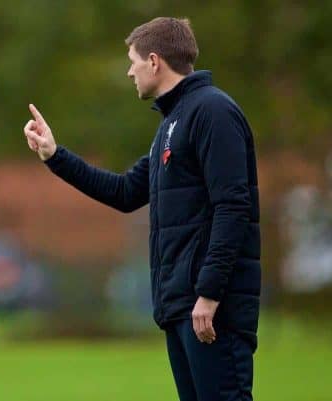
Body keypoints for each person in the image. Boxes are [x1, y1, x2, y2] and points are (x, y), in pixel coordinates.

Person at [23, 17, 260, 401]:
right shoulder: (171, 123)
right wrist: (54, 155)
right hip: (183, 307)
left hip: (211, 309)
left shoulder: (212, 112)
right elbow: (125, 192)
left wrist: (210, 293)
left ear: (154, 61)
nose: (129, 70)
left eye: (133, 60)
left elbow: (233, 207)